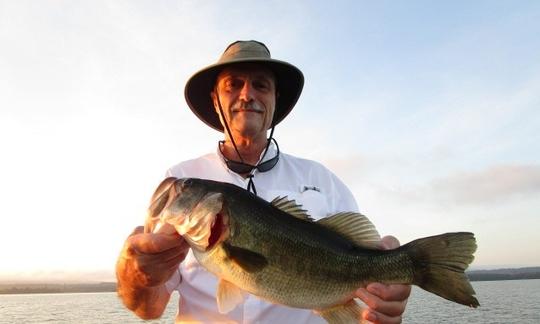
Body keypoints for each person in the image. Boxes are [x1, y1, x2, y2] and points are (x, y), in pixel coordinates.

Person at [116, 40, 411, 323]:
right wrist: (136, 276)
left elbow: (369, 285)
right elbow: (149, 308)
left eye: (261, 84)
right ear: (216, 102)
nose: (247, 95)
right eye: (233, 84)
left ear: (275, 101)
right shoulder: (179, 177)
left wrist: (388, 286)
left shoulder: (322, 179)